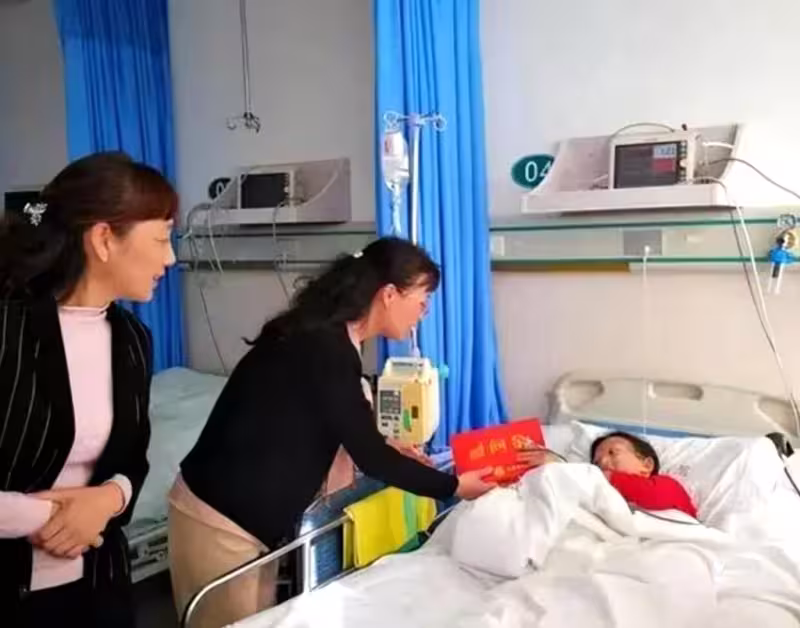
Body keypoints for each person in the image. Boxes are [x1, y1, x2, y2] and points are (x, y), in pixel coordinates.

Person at [168, 237, 496, 627]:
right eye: (422, 300)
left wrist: (387, 443)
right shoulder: (326, 348)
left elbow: (335, 419)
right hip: (219, 519)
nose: (423, 313)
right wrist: (455, 486)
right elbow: (371, 458)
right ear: (389, 294)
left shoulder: (334, 339)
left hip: (250, 523)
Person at [0, 152, 177, 626]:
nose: (171, 258)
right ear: (103, 239)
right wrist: (47, 519)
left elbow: (133, 458)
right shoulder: (9, 330)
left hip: (99, 585)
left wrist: (110, 498)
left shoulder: (133, 340)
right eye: (161, 238)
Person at [590, 431, 697, 518]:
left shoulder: (669, 486)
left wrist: (610, 477)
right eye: (596, 463)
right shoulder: (601, 495)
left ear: (646, 466)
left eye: (612, 453)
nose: (603, 462)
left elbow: (653, 496)